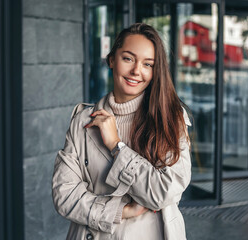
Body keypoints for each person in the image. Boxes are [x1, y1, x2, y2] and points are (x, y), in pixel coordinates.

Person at [52, 23, 192, 240]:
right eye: (128, 58)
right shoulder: (82, 121)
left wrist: (117, 146)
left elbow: (164, 191)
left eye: (148, 64)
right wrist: (120, 211)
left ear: (156, 72)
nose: (137, 71)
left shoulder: (169, 119)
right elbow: (64, 194)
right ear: (111, 60)